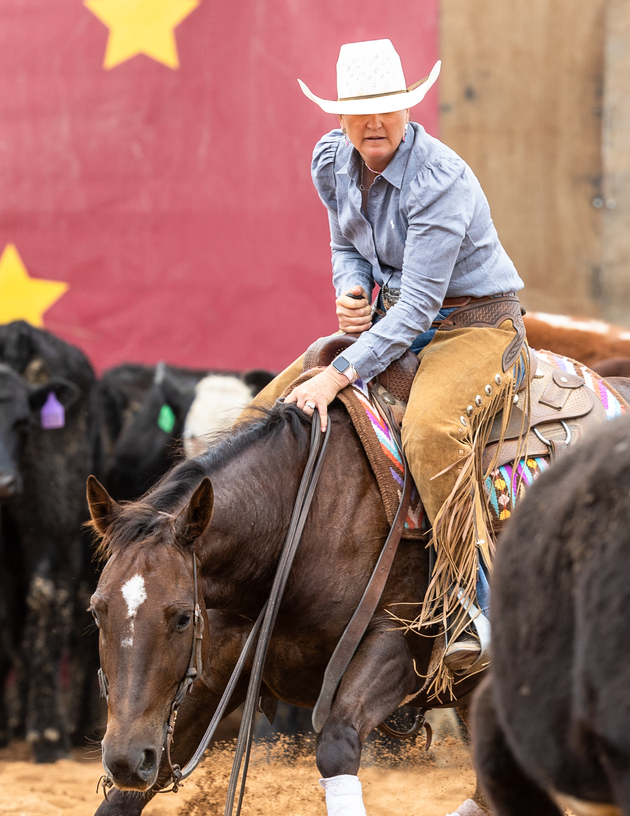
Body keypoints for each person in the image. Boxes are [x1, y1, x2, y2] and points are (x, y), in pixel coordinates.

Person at [253, 39, 527, 690]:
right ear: (340, 116)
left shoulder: (439, 181)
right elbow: (345, 244)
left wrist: (337, 373)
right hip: (393, 320)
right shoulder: (331, 160)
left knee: (431, 432)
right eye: (360, 109)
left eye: (387, 107)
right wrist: (350, 289)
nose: (374, 121)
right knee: (262, 414)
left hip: (473, 324)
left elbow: (419, 309)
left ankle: (472, 605)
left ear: (408, 108)